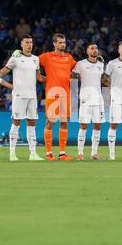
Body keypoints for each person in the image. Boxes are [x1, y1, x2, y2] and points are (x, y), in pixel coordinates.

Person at [0, 35, 45, 161]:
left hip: (32, 95)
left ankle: (33, 153)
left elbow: (39, 77)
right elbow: (3, 72)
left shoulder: (36, 59)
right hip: (19, 95)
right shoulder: (15, 58)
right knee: (16, 122)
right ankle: (12, 153)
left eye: (31, 42)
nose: (29, 44)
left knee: (32, 123)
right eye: (27, 42)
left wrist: (55, 79)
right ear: (21, 44)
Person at [39, 33, 77, 161]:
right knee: (50, 122)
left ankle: (62, 153)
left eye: (64, 42)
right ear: (54, 44)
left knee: (64, 122)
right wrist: (40, 77)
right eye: (60, 42)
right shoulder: (46, 57)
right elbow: (31, 62)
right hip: (52, 93)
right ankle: (49, 153)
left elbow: (78, 69)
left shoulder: (69, 58)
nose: (62, 45)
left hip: (65, 94)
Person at [72, 42, 105, 160]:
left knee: (97, 125)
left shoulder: (101, 65)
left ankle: (94, 153)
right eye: (92, 48)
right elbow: (73, 78)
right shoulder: (80, 64)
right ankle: (80, 152)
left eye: (96, 48)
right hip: (85, 98)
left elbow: (103, 80)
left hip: (98, 98)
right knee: (83, 125)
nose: (95, 50)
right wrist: (75, 93)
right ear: (87, 51)